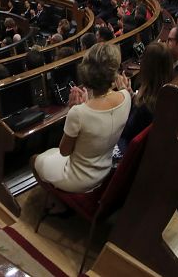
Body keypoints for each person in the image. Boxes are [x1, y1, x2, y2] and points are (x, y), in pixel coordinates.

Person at [33, 43, 131, 194]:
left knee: (34, 159)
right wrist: (86, 104)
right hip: (105, 168)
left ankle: (58, 203)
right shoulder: (126, 96)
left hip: (78, 179)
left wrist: (74, 110)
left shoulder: (78, 113)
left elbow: (64, 151)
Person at [116, 43, 174, 156]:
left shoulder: (145, 108)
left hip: (128, 155)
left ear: (147, 68)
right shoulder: (169, 92)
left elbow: (124, 132)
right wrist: (131, 95)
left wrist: (124, 98)